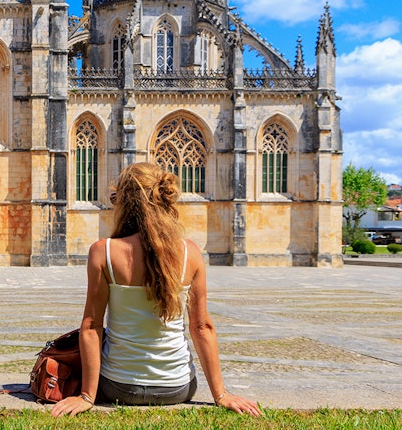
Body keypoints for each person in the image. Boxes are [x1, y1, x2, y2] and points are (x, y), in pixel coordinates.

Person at [51, 162, 262, 417]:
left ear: (125, 202)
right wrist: (221, 394)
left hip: (118, 386)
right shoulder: (190, 253)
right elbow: (202, 327)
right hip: (177, 387)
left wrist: (87, 396)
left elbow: (91, 326)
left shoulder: (103, 251)